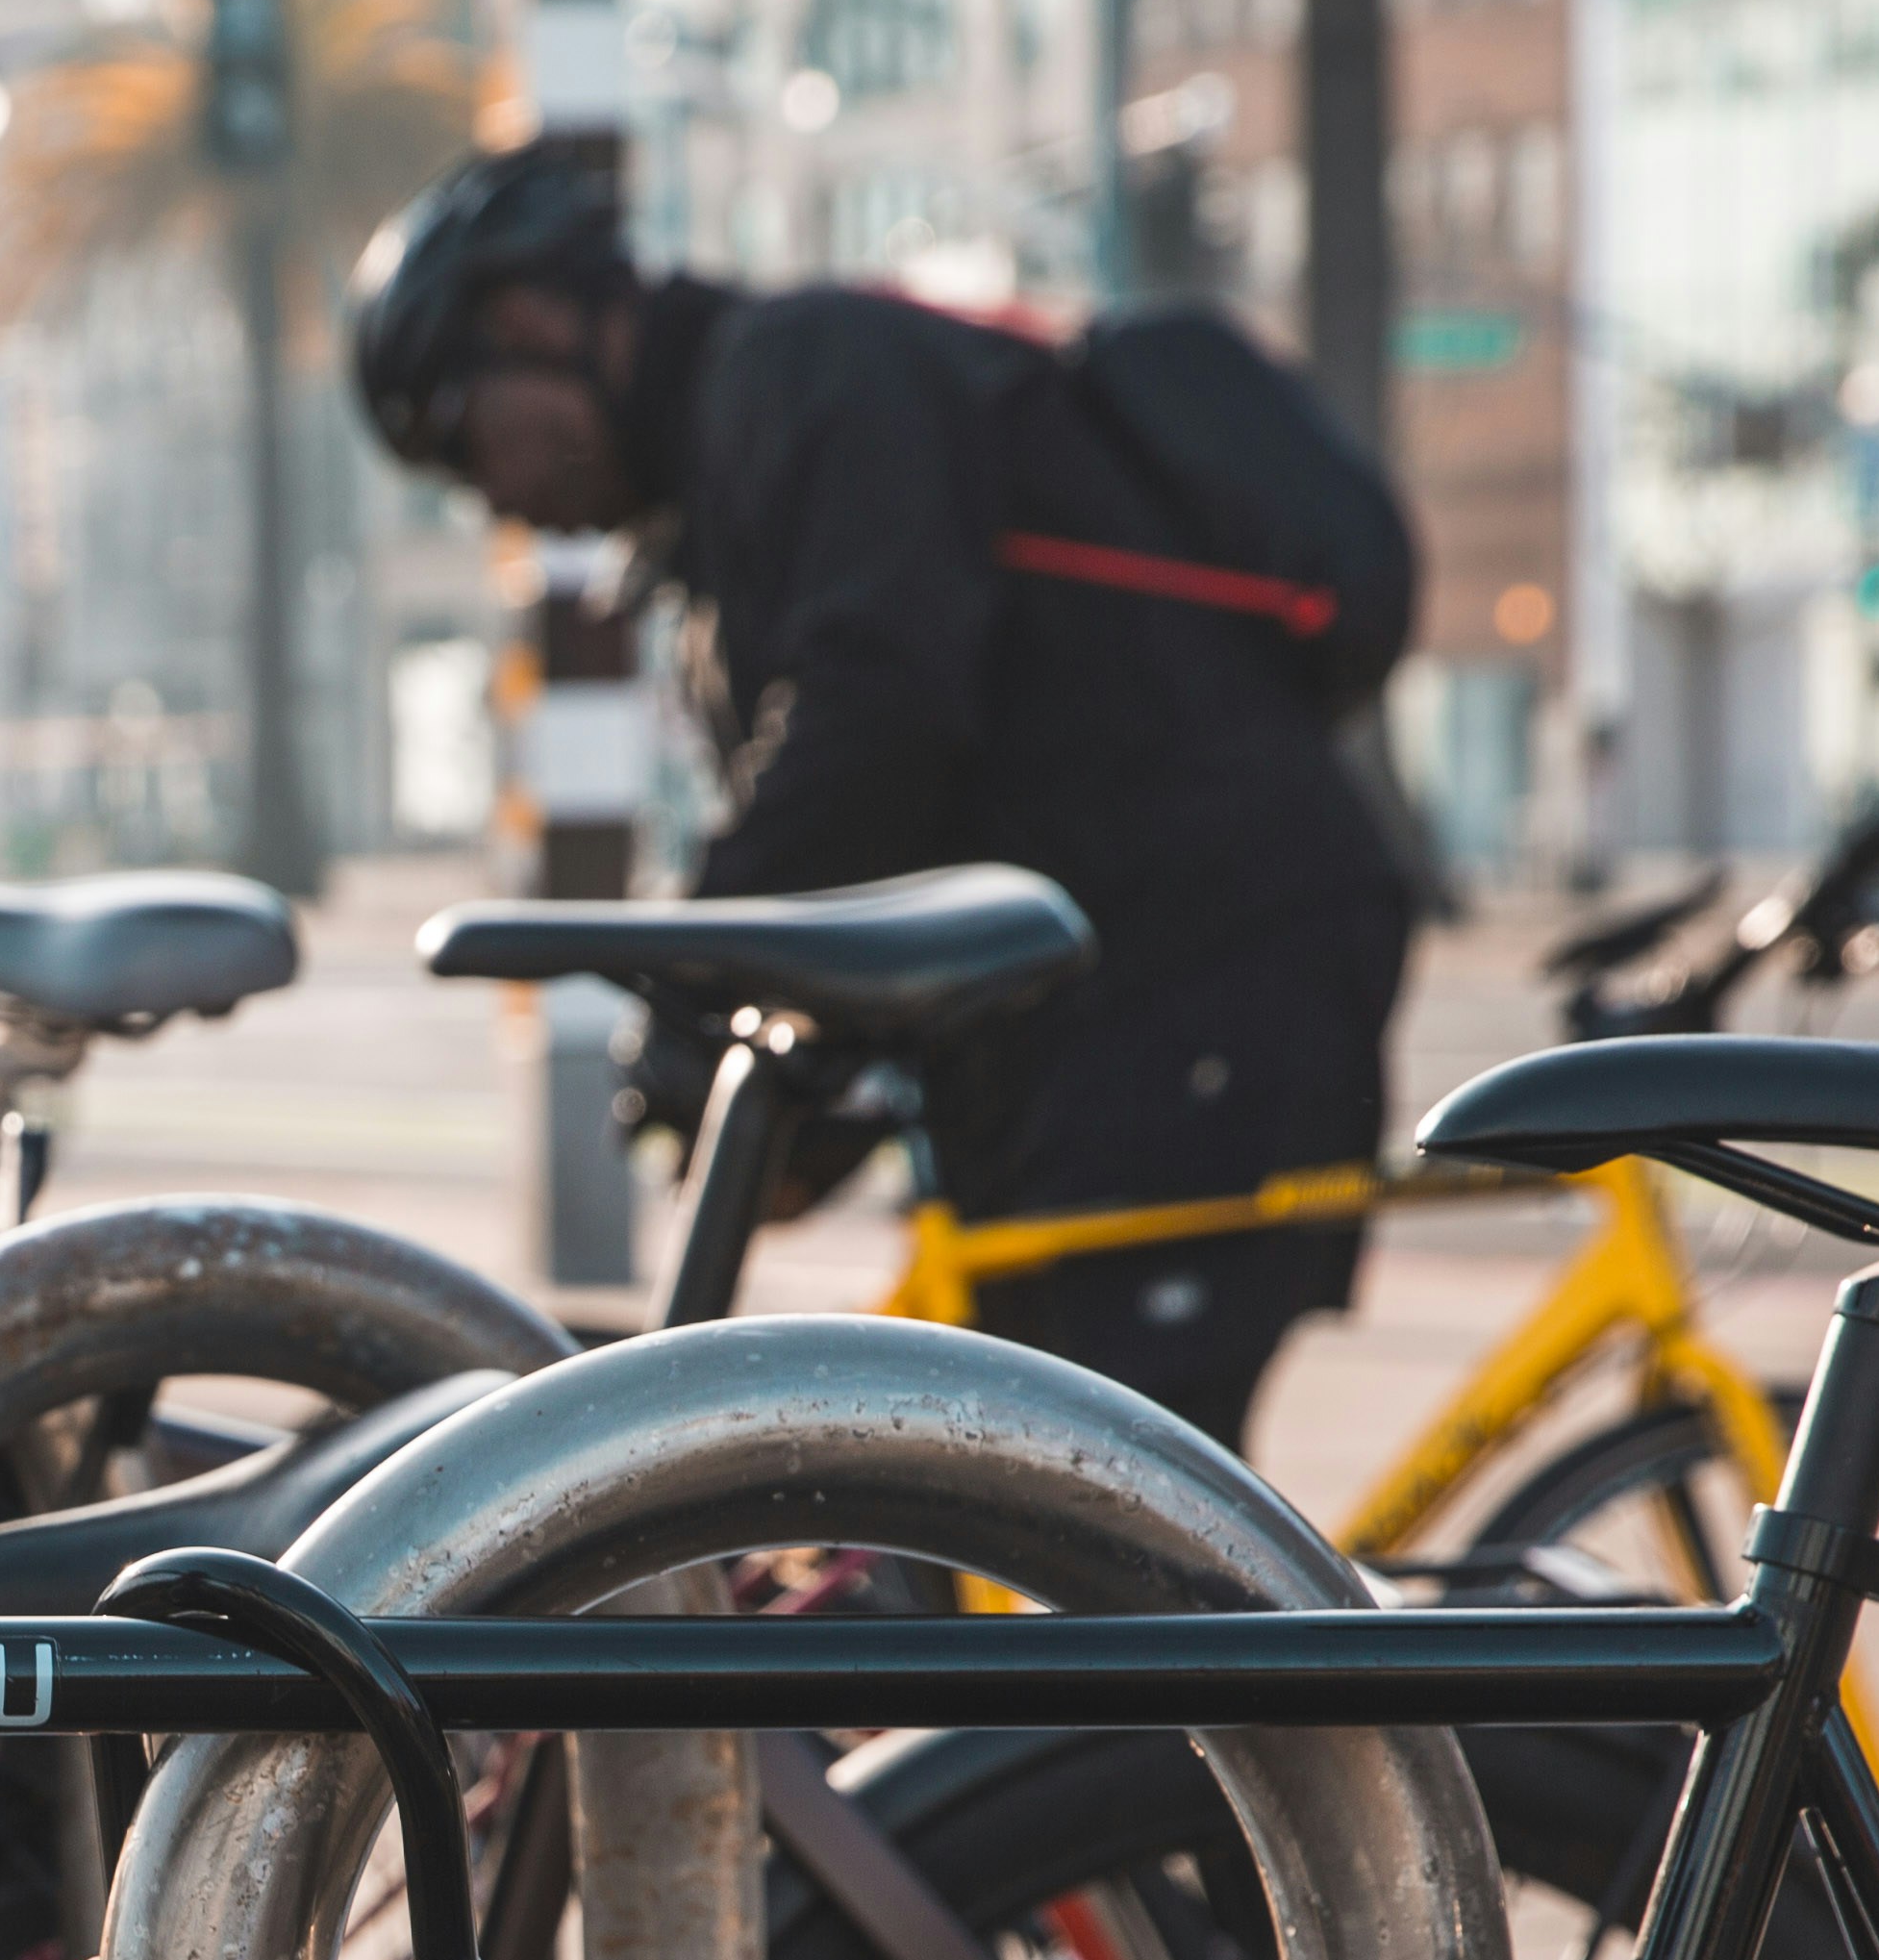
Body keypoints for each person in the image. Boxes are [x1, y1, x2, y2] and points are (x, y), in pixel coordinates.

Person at [349, 149, 1416, 1449]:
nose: (500, 502)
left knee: (1112, 1535)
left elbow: (880, 720)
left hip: (1209, 984)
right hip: (1097, 1020)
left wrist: (693, 1000)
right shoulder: (736, 472)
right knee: (1002, 1509)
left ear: (534, 324)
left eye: (465, 438)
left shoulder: (807, 375)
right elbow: (898, 809)